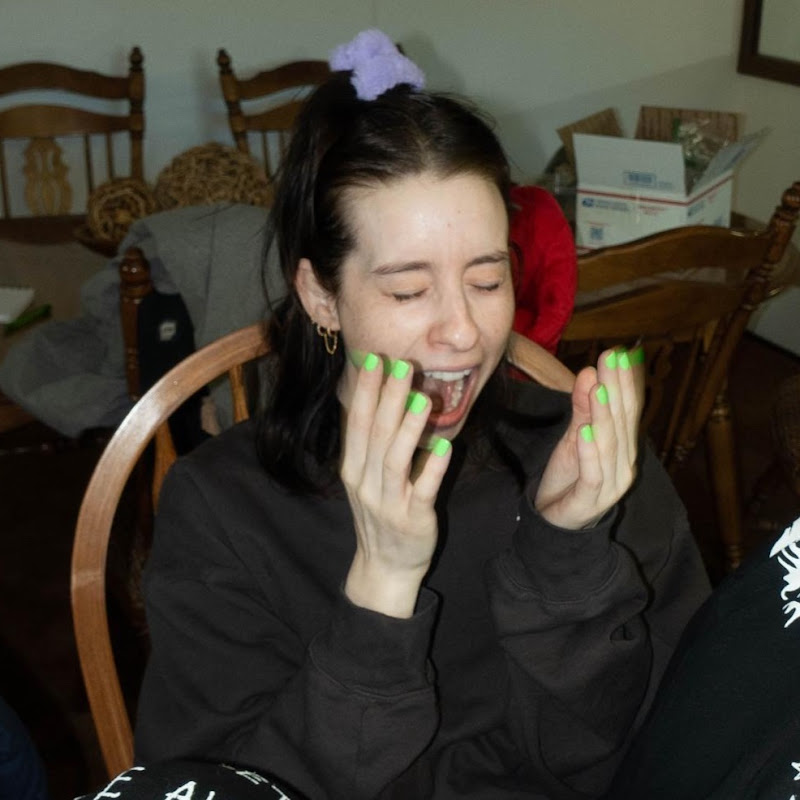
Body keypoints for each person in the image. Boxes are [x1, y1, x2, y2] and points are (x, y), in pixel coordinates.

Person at [134, 29, 710, 800]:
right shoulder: (222, 508)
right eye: (409, 290)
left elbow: (671, 742)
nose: (464, 332)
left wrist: (566, 550)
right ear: (320, 296)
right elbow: (217, 783)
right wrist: (381, 585)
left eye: (487, 280)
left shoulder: (584, 463)